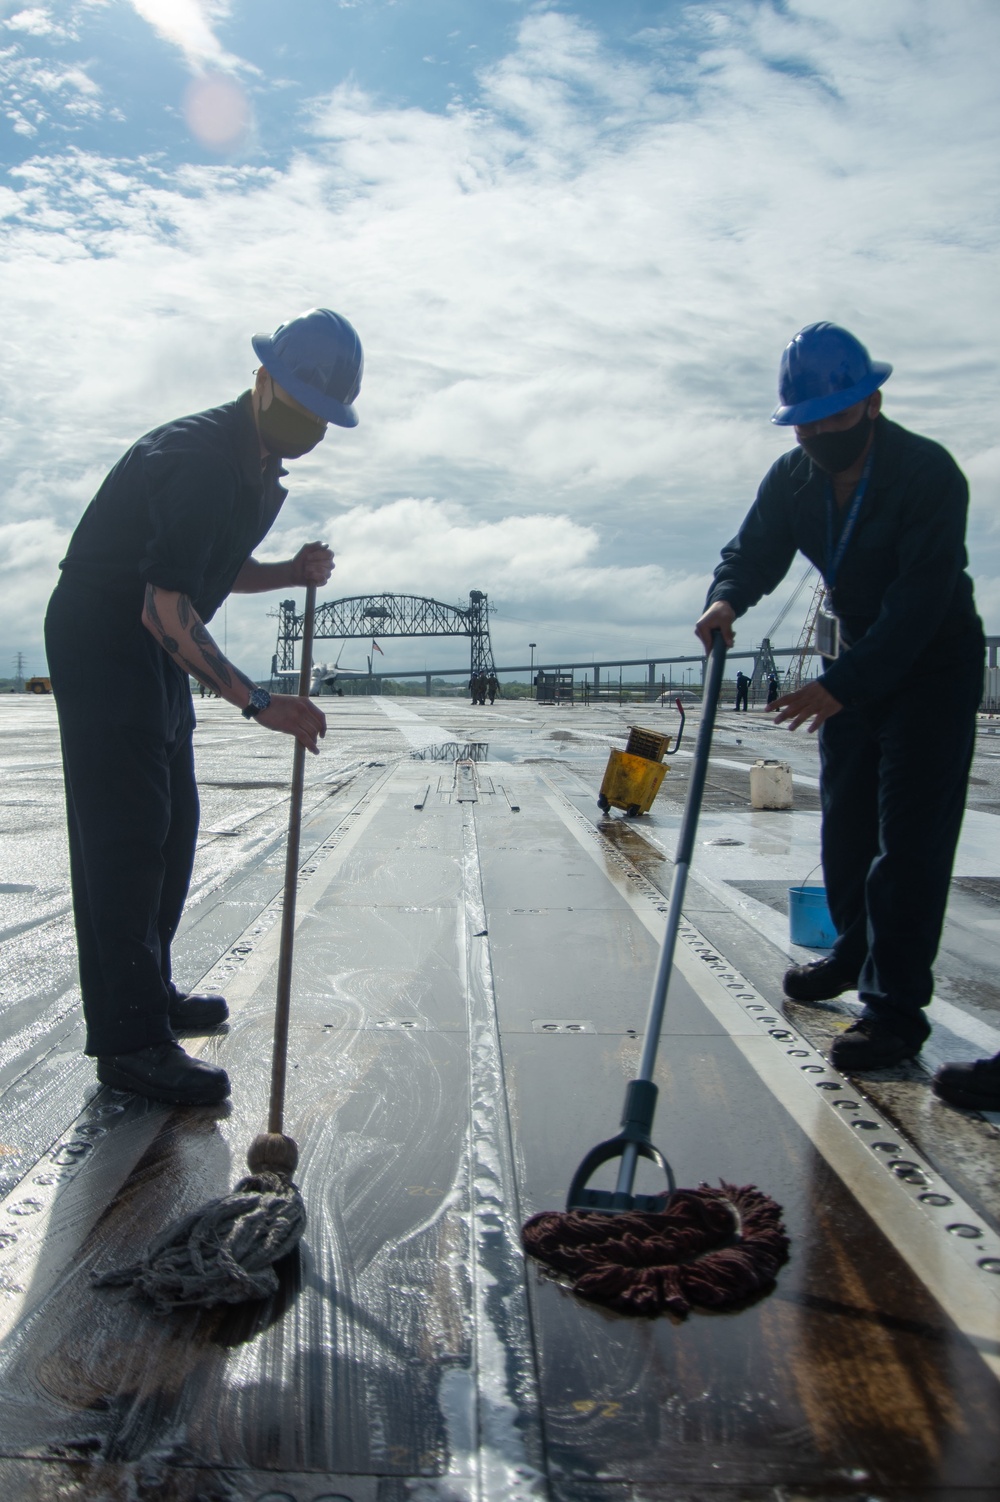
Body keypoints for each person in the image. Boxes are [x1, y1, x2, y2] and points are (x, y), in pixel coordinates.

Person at [45, 307, 363, 1106]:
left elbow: (212, 565)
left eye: (320, 417)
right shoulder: (198, 459)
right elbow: (163, 605)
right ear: (261, 382)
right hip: (103, 636)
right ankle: (129, 1041)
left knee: (174, 822)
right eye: (295, 405)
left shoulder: (256, 465)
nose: (305, 424)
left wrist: (287, 571)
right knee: (126, 834)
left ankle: (150, 991)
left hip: (151, 640)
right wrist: (258, 701)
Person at [695, 322, 984, 1073]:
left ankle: (894, 1013)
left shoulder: (928, 474)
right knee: (847, 832)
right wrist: (727, 600)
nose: (822, 432)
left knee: (909, 845)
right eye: (807, 421)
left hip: (931, 664)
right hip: (853, 658)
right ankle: (853, 955)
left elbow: (919, 605)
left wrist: (839, 686)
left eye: (837, 416)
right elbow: (751, 551)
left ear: (873, 403)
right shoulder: (793, 478)